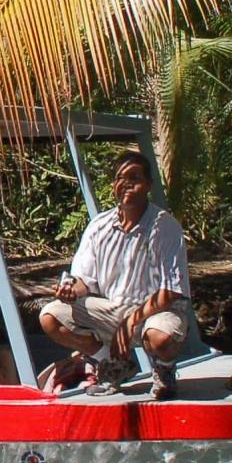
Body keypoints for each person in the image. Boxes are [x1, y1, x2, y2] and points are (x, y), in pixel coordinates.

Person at [38, 149, 191, 398]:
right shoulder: (99, 226)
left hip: (155, 312)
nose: (127, 184)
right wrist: (70, 290)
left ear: (149, 185)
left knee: (160, 338)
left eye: (135, 178)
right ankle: (112, 364)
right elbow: (84, 280)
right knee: (50, 316)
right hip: (112, 309)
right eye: (121, 178)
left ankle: (164, 371)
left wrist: (129, 324)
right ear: (113, 185)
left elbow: (171, 291)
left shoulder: (165, 227)